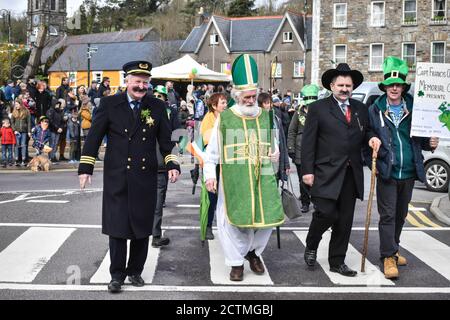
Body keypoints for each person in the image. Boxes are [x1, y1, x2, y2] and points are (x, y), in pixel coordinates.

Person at [78, 61, 180, 293]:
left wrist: (172, 163)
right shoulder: (109, 104)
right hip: (117, 176)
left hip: (145, 176)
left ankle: (135, 271)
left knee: (141, 228)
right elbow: (94, 137)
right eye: (137, 81)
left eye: (145, 82)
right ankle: (116, 275)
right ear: (127, 81)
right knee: (118, 227)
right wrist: (86, 168)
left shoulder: (156, 106)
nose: (141, 86)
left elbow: (166, 140)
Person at [204, 54, 284, 281]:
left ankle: (253, 252)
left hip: (263, 178)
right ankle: (236, 262)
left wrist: (275, 153)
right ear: (237, 96)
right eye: (247, 97)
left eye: (254, 96)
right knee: (232, 221)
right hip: (234, 179)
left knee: (267, 219)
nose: (251, 101)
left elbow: (274, 146)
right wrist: (210, 175)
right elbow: (212, 153)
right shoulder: (226, 118)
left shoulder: (266, 116)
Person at [301, 63, 381, 277]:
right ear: (331, 86)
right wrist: (307, 171)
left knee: (344, 220)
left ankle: (337, 261)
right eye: (340, 85)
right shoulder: (318, 108)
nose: (344, 89)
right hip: (325, 172)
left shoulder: (360, 109)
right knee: (326, 213)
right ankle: (312, 244)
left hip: (351, 173)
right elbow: (308, 142)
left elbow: (367, 132)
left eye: (348, 85)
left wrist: (372, 138)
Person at [364, 57, 439, 279]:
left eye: (398, 85)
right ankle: (387, 257)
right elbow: (368, 133)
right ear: (385, 86)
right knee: (387, 215)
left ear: (403, 87)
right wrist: (372, 142)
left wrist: (430, 144)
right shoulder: (375, 109)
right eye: (390, 84)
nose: (394, 88)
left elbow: (421, 139)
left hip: (408, 171)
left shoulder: (416, 107)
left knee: (400, 215)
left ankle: (393, 250)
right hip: (387, 170)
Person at [287, 84, 320, 213]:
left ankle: (317, 201)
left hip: (318, 151)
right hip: (301, 151)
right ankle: (305, 202)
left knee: (317, 178)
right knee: (302, 179)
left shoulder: (320, 112)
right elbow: (292, 131)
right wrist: (291, 148)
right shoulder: (298, 112)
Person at [200, 92, 228, 240]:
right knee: (212, 196)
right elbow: (206, 143)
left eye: (225, 102)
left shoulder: (228, 117)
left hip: (227, 162)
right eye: (222, 103)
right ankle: (209, 226)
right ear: (214, 105)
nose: (225, 105)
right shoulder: (208, 119)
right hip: (213, 163)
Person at [258, 92, 290, 184]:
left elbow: (282, 142)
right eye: (266, 103)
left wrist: (286, 164)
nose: (269, 105)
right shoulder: (256, 121)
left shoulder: (276, 119)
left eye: (270, 103)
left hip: (276, 162)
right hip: (262, 163)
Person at [11, 98, 32, 166]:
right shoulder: (14, 111)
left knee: (23, 145)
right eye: (15, 104)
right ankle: (16, 159)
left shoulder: (26, 111)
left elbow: (29, 122)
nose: (16, 105)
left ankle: (23, 159)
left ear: (20, 104)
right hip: (17, 131)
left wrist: (29, 131)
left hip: (24, 131)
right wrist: (14, 130)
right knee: (17, 145)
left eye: (17, 104)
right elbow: (12, 122)